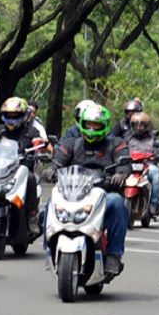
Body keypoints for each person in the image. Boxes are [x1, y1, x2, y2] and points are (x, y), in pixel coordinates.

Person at [42, 104, 130, 275]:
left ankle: (113, 254)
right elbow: (58, 159)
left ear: (104, 125)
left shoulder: (116, 143)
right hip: (73, 193)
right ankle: (48, 247)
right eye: (88, 124)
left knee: (118, 203)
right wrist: (51, 169)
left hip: (104, 192)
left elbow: (125, 163)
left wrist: (120, 174)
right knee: (50, 203)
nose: (91, 128)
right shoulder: (72, 144)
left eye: (95, 125)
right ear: (81, 123)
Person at [0, 97, 44, 234]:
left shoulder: (31, 131)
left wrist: (38, 151)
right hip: (0, 168)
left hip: (22, 168)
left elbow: (38, 145)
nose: (11, 118)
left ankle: (31, 215)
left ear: (23, 115)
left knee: (31, 178)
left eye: (15, 115)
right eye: (8, 115)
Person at [125, 112, 159, 216]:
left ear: (147, 125)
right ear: (132, 125)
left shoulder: (153, 139)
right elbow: (120, 151)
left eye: (141, 124)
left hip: (147, 165)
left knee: (155, 173)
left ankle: (153, 204)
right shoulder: (127, 139)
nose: (139, 127)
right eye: (136, 125)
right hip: (130, 165)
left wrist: (158, 156)